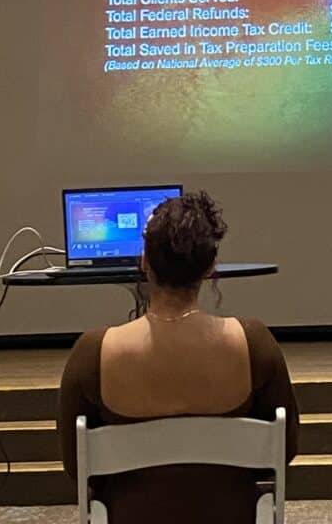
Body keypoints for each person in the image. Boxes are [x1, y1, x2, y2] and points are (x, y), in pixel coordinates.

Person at [58, 190, 299, 523]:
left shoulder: (92, 353)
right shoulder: (254, 343)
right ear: (211, 267)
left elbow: (77, 466)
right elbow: (282, 452)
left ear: (144, 262)